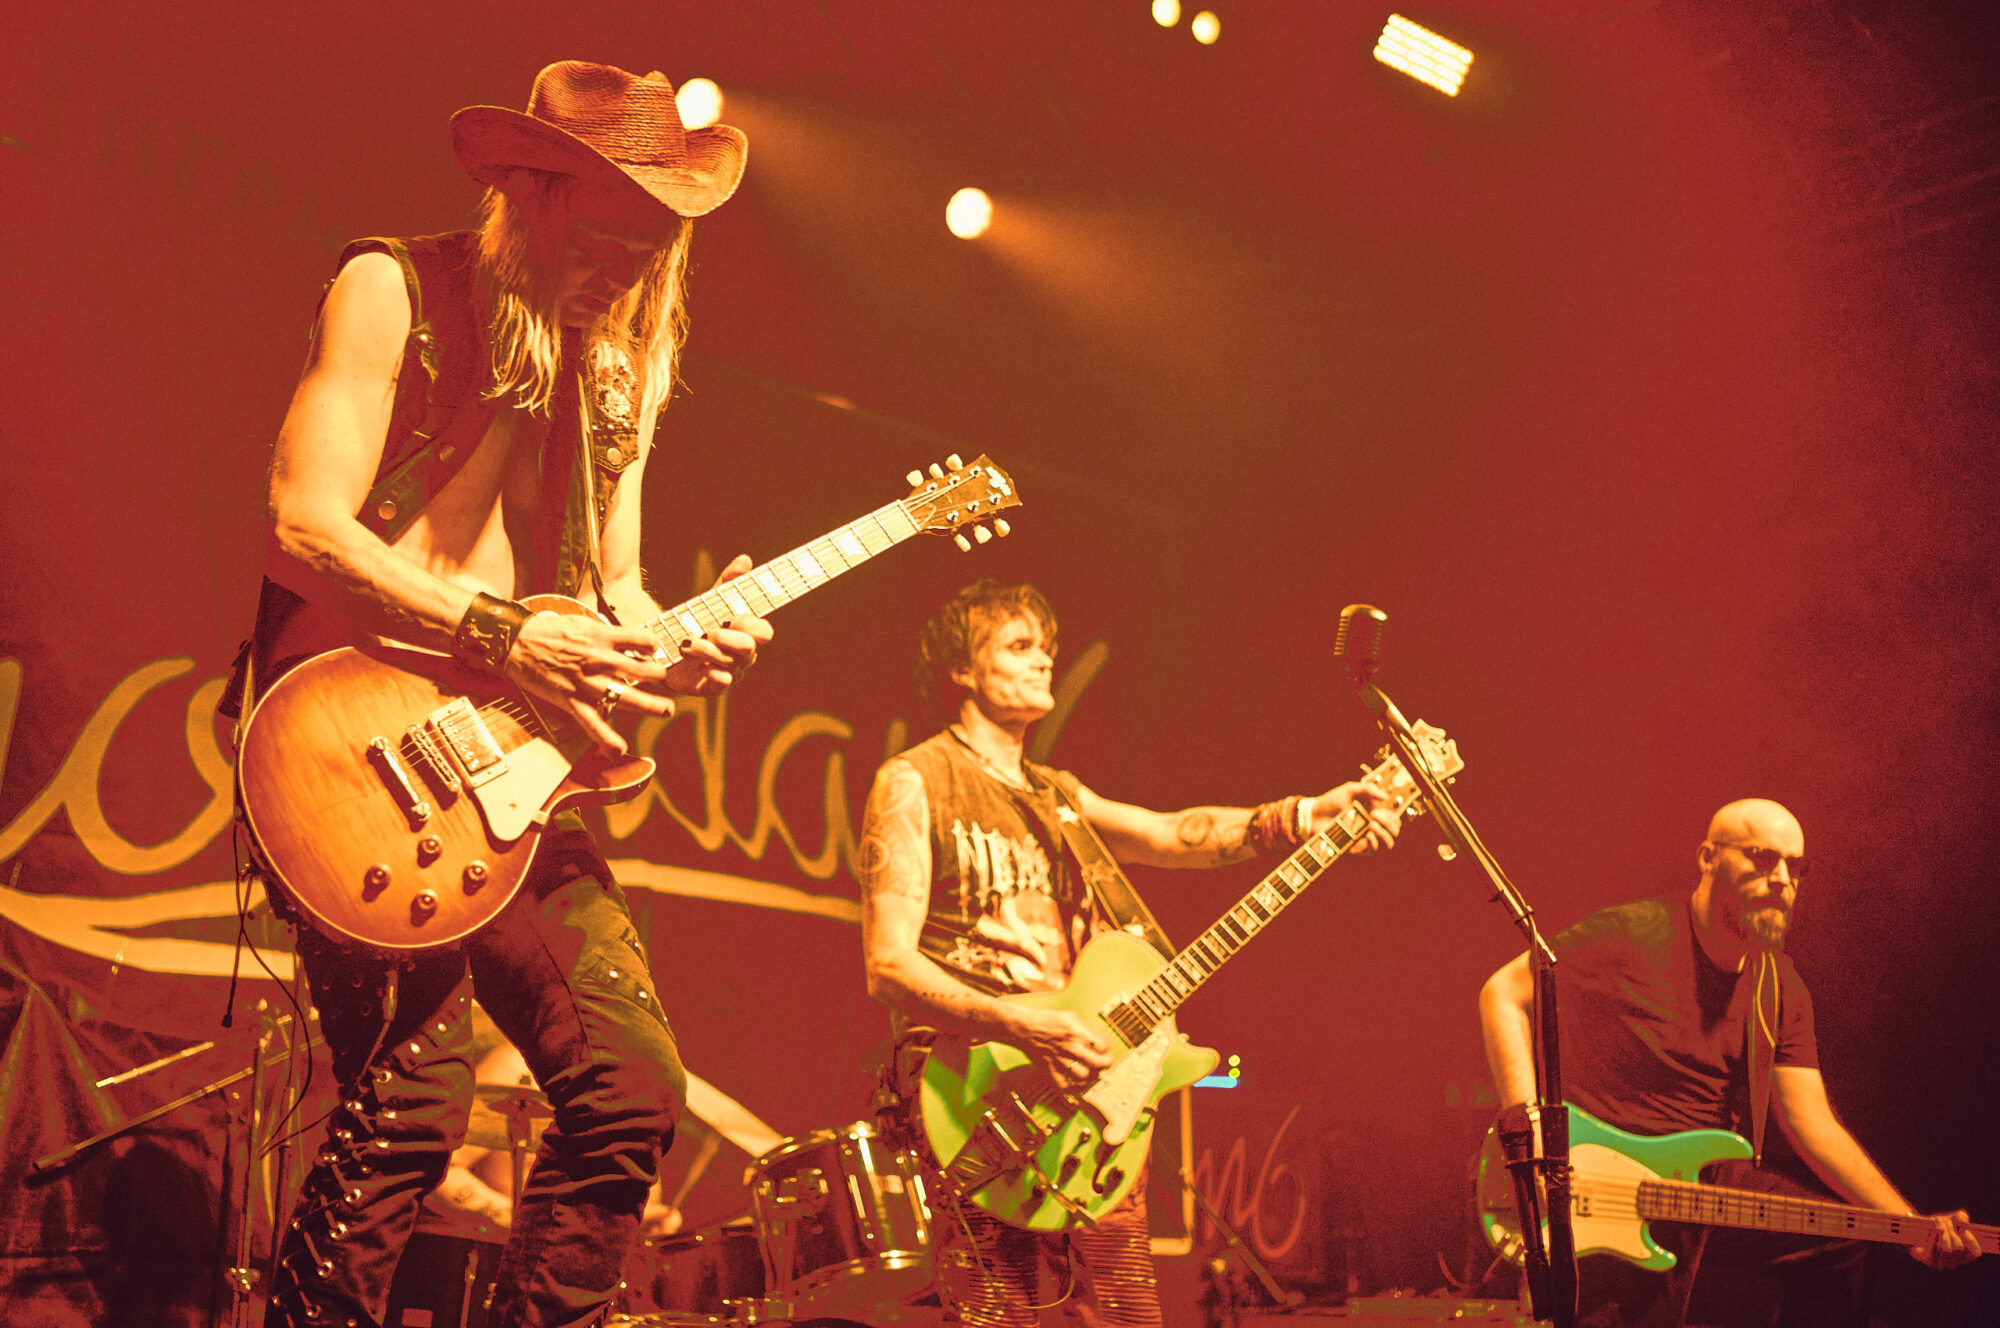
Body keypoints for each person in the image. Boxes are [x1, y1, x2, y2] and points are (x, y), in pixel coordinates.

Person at [236, 61, 771, 1327]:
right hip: (350, 743)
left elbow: (614, 590)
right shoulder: (394, 288)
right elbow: (301, 522)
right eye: (602, 234)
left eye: (650, 248)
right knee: (409, 1100)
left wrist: (677, 648)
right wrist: (496, 630)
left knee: (629, 1088)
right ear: (531, 197)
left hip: (506, 766)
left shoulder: (620, 378)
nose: (623, 270)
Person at [858, 580, 1403, 1327]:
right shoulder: (916, 780)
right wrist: (1021, 1025)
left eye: (1047, 647)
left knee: (1124, 1313)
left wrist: (1307, 814)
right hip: (980, 1093)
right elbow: (888, 965)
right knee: (997, 1312)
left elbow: (1174, 833)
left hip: (1093, 1096)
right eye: (1019, 646)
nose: (1044, 660)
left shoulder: (1058, 795)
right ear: (961, 668)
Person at [1477, 798, 1982, 1327]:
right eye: (1763, 858)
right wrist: (1528, 1134)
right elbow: (1503, 993)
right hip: (1594, 1176)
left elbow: (1813, 1124)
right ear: (1707, 858)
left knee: (1840, 1240)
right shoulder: (1631, 933)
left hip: (1701, 1180)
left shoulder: (1780, 986)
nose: (1782, 879)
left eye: (1796, 867)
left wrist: (1911, 1227)